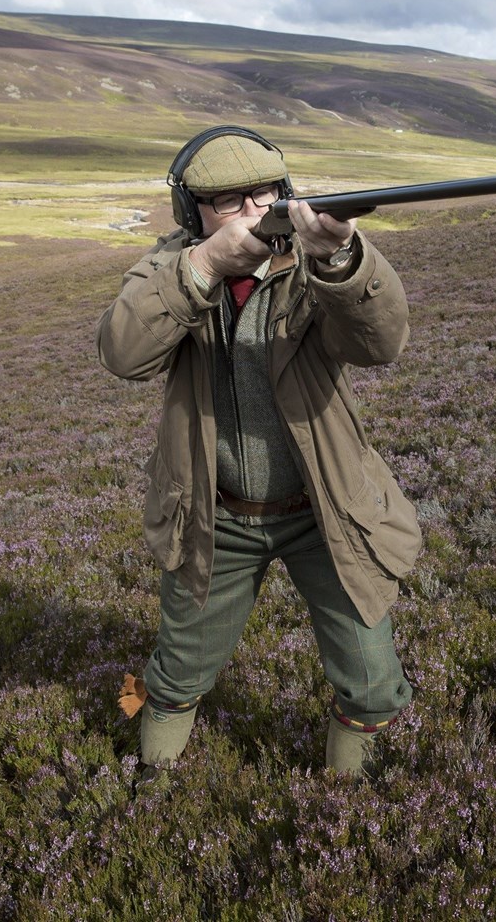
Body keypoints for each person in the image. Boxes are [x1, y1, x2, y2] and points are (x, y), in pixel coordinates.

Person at [97, 125, 421, 781]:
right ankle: (150, 781)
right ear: (195, 214)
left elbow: (382, 342)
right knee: (179, 668)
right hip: (214, 517)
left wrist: (340, 259)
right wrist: (208, 268)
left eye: (266, 192)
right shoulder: (174, 270)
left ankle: (351, 807)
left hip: (328, 514)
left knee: (371, 674)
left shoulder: (314, 264)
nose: (254, 209)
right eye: (230, 199)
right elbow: (123, 352)